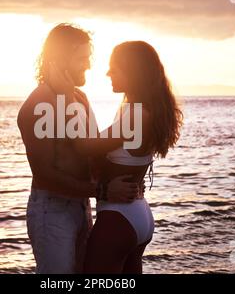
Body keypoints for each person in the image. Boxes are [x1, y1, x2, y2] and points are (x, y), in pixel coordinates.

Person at [49, 40, 183, 273]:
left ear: (132, 72)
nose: (108, 72)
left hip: (119, 218)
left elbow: (84, 147)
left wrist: (65, 96)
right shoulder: (138, 109)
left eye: (115, 67)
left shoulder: (137, 115)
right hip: (134, 214)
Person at [17, 24, 139, 274]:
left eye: (88, 58)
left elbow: (92, 152)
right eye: (82, 59)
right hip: (52, 212)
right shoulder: (38, 104)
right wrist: (104, 191)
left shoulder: (79, 98)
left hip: (83, 206)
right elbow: (44, 174)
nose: (88, 65)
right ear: (61, 59)